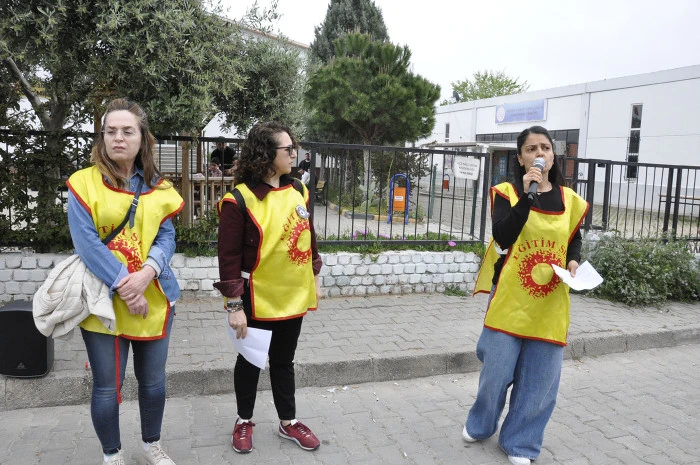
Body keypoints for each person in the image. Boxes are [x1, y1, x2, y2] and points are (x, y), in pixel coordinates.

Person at [66, 98, 184, 465]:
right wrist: (127, 287)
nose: (119, 137)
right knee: (107, 386)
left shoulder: (158, 187)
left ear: (142, 137)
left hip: (156, 295)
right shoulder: (83, 183)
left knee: (153, 382)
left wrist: (147, 273)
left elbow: (166, 237)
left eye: (127, 131)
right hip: (102, 300)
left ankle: (151, 446)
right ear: (102, 137)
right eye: (111, 131)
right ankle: (112, 455)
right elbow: (86, 243)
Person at [463, 126, 589, 465]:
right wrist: (528, 196)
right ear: (520, 158)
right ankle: (481, 424)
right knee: (496, 373)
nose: (539, 153)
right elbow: (503, 236)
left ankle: (520, 442)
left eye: (545, 147)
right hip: (510, 298)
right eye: (531, 149)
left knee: (540, 382)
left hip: (550, 304)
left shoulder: (570, 200)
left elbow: (573, 239)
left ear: (553, 156)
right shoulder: (507, 193)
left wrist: (573, 260)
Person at [215, 121, 323, 454]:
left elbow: (309, 237)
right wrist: (235, 306)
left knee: (284, 361)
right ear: (266, 154)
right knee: (250, 361)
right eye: (288, 149)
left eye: (294, 148)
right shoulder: (239, 200)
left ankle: (288, 422)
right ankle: (243, 420)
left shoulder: (299, 190)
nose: (294, 154)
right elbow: (228, 258)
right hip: (255, 299)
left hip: (293, 295)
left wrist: (315, 276)